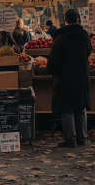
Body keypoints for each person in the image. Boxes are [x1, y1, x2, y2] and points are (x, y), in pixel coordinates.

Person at [47, 9, 91, 148]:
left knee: (67, 108)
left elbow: (53, 62)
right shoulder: (85, 36)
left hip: (65, 77)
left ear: (65, 20)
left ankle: (70, 138)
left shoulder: (60, 38)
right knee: (80, 107)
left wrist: (53, 71)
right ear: (78, 19)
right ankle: (82, 137)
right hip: (82, 75)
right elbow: (88, 51)